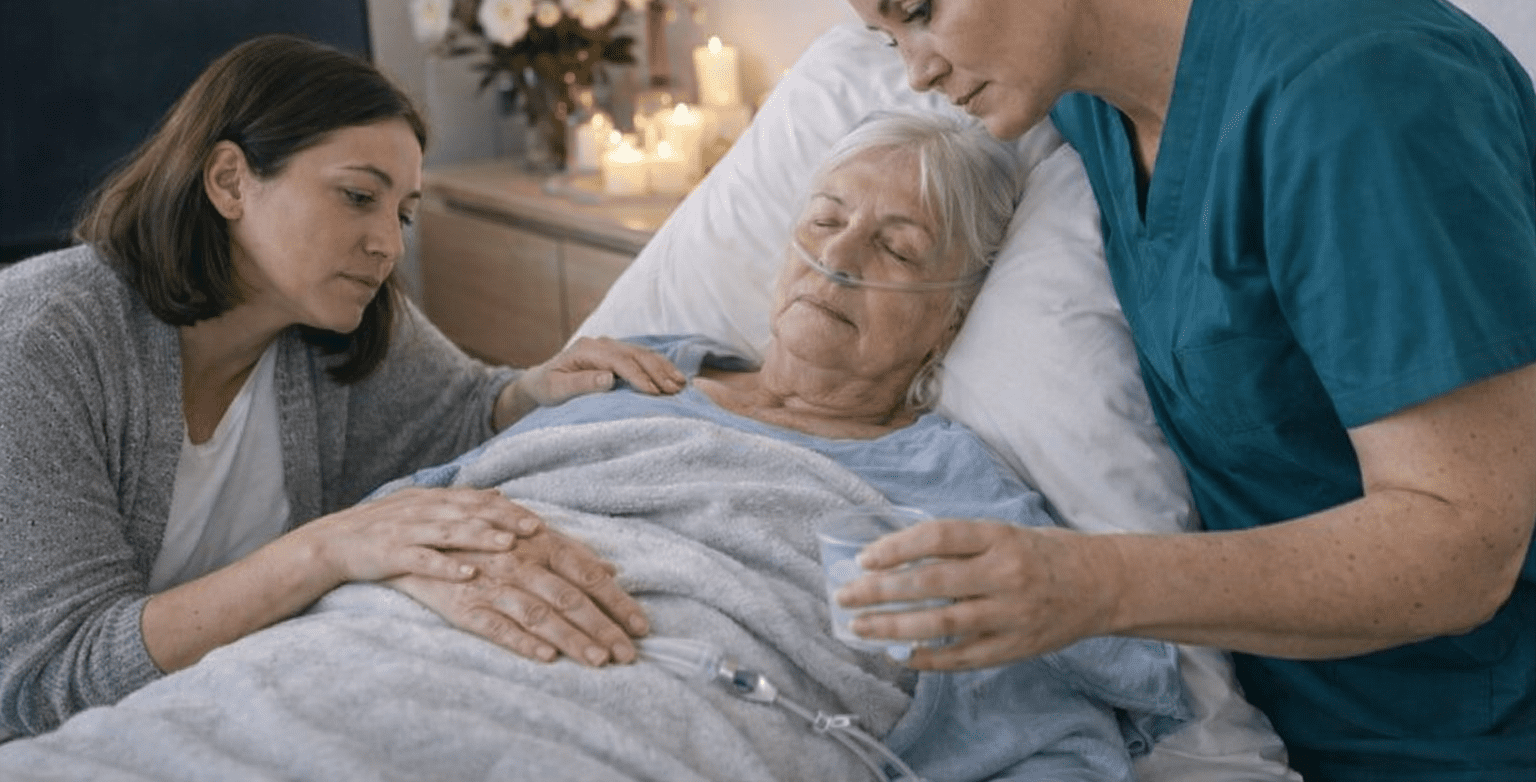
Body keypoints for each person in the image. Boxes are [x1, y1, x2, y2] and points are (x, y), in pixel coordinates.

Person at [0, 110, 1191, 781]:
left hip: (635, 725)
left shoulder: (958, 491)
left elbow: (1046, 730)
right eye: (825, 220)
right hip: (341, 664)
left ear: (960, 305)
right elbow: (447, 463)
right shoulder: (640, 369)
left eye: (897, 242)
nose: (838, 255)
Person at [808, 0, 1536, 781]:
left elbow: (1464, 547)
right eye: (888, 35)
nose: (914, 68)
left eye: (920, 7)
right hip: (1267, 708)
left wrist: (1089, 585)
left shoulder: (1350, 93)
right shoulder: (1091, 93)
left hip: (1464, 729)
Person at [0, 34, 688, 739]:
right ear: (230, 181)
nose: (388, 244)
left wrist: (533, 391)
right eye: (357, 196)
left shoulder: (337, 324)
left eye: (403, 213)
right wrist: (324, 551)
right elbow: (50, 677)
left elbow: (459, 413)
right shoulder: (38, 347)